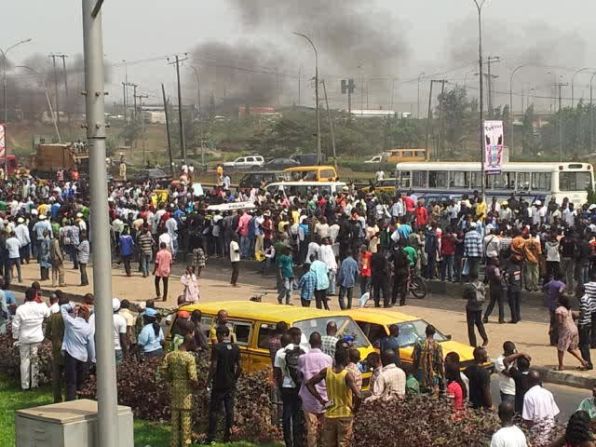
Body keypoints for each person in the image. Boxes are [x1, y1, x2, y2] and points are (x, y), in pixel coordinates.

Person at [306, 347, 361, 447]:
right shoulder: (347, 375)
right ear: (347, 360)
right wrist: (354, 409)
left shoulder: (326, 372)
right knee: (343, 443)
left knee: (328, 444)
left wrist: (321, 400)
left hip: (330, 413)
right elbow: (358, 395)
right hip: (345, 414)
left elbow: (309, 384)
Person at [160, 334, 199, 447]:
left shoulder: (170, 355)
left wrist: (170, 379)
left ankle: (174, 443)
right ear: (190, 343)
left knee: (175, 419)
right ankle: (185, 444)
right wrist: (196, 385)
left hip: (174, 388)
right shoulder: (189, 358)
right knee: (186, 419)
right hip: (186, 390)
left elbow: (163, 370)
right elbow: (193, 377)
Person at [206, 325, 241, 444]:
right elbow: (240, 367)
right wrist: (234, 378)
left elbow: (214, 365)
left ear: (220, 335)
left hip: (219, 383)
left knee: (215, 410)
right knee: (229, 410)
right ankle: (228, 436)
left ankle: (211, 437)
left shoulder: (217, 348)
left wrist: (208, 380)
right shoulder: (236, 347)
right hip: (230, 384)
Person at [298, 332, 333, 447]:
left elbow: (300, 376)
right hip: (325, 397)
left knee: (311, 429)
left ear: (310, 342)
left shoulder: (302, 358)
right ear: (321, 343)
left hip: (308, 397)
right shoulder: (328, 359)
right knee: (324, 429)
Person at [12, 287, 50, 390]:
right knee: (35, 360)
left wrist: (15, 337)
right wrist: (42, 302)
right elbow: (48, 313)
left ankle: (25, 385)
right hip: (37, 337)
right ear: (36, 296)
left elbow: (15, 325)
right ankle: (34, 384)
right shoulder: (40, 307)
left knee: (24, 361)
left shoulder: (21, 309)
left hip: (24, 337)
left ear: (25, 296)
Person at [274, 327, 305, 447]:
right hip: (298, 385)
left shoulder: (280, 353)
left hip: (286, 385)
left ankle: (288, 441)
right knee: (297, 414)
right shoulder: (301, 351)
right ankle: (298, 441)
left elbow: (277, 373)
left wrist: (280, 387)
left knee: (286, 414)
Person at [522, 369, 560, 440]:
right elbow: (555, 414)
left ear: (527, 381)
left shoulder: (528, 396)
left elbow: (528, 419)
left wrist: (531, 435)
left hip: (538, 435)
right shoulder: (548, 393)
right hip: (551, 434)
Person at [45, 293, 69, 402]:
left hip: (56, 348)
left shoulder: (52, 317)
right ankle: (70, 396)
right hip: (69, 349)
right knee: (70, 375)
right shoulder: (70, 319)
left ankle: (57, 398)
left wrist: (54, 340)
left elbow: (47, 334)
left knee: (57, 376)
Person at [555, 294, 589, 370]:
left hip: (566, 331)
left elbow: (560, 322)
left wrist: (554, 330)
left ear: (560, 301)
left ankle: (561, 366)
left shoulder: (559, 310)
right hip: (574, 329)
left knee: (560, 349)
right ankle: (583, 361)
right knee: (571, 348)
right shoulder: (568, 309)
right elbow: (575, 315)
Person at [412, 324, 444, 394]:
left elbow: (415, 360)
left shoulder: (419, 343)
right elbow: (440, 363)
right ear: (434, 333)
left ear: (426, 332)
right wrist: (442, 377)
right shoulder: (438, 345)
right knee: (434, 395)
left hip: (421, 374)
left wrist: (414, 373)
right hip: (434, 375)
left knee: (422, 395)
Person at [463, 271, 489, 347]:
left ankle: (473, 344)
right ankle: (485, 338)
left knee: (471, 326)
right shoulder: (482, 285)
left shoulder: (469, 286)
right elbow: (485, 294)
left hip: (471, 307)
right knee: (479, 323)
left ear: (470, 277)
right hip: (479, 307)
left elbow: (464, 296)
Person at [577, 285, 594, 370]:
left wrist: (575, 317)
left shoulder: (583, 300)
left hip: (583, 325)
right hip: (588, 323)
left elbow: (582, 313)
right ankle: (586, 362)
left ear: (580, 291)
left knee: (583, 345)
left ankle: (587, 363)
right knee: (584, 344)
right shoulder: (588, 298)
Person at [111, 298, 128, 365]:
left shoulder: (105, 318)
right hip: (118, 348)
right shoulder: (121, 319)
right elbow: (122, 338)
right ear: (119, 307)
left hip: (106, 348)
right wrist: (126, 352)